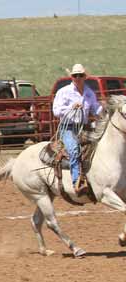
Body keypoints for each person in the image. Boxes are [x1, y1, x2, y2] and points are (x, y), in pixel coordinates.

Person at [53, 63, 102, 195]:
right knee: (74, 150)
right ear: (72, 77)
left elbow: (96, 108)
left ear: (85, 77)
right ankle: (77, 181)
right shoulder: (63, 92)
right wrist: (71, 107)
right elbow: (56, 111)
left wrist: (105, 112)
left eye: (80, 75)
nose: (78, 78)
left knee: (101, 146)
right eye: (75, 75)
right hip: (68, 128)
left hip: (84, 127)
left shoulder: (89, 93)